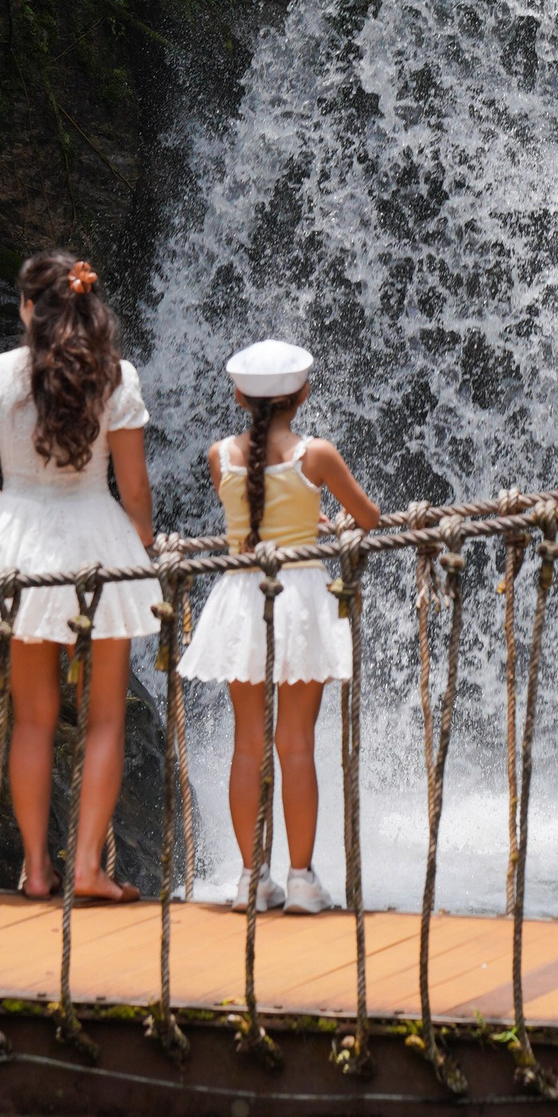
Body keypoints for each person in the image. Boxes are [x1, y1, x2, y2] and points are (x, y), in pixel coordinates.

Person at [0, 250, 156, 901]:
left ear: (28, 307)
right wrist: (137, 547)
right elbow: (136, 488)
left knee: (33, 718)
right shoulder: (115, 375)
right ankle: (88, 865)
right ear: (87, 305)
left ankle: (36, 870)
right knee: (106, 718)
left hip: (23, 541)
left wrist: (7, 533)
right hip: (97, 536)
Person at [180, 334, 380, 913]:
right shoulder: (316, 456)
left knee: (249, 743)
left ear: (240, 398)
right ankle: (301, 879)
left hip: (243, 596)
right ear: (305, 393)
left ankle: (249, 878)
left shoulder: (220, 455)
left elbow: (253, 506)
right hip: (300, 597)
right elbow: (367, 518)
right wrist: (328, 521)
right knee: (296, 744)